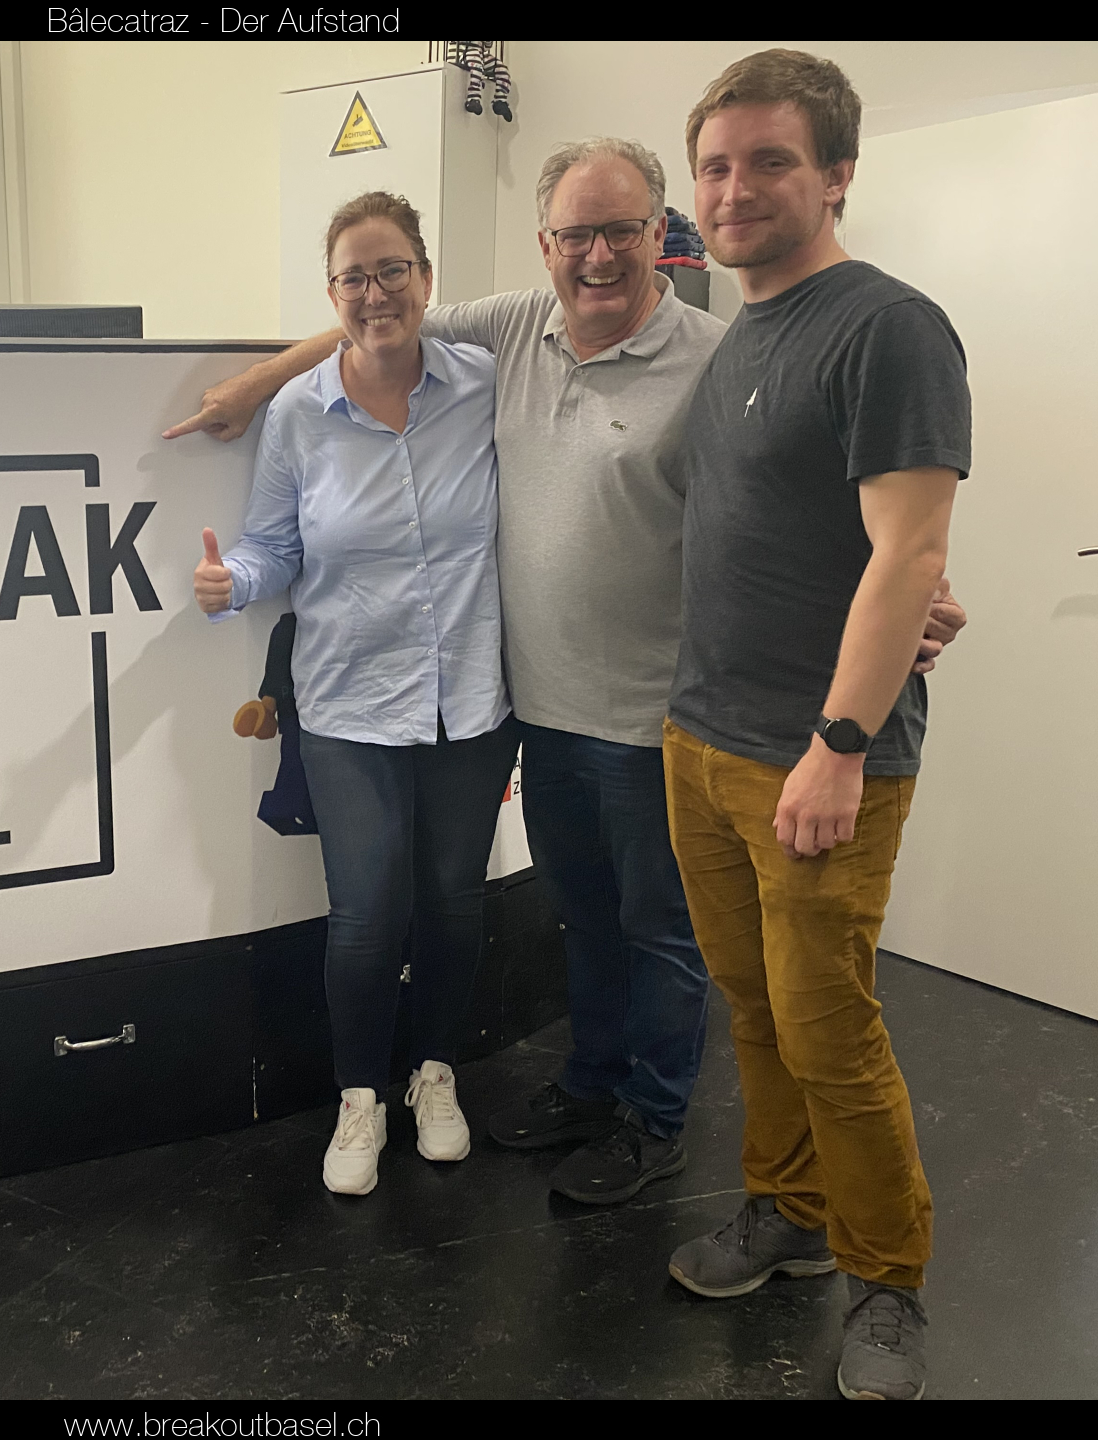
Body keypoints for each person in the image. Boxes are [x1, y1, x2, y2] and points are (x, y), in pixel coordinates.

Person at [168, 146, 968, 1209]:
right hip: (539, 711)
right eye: (575, 236)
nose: (598, 256)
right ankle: (589, 1085)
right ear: (544, 246)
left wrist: (906, 585)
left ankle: (652, 1119)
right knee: (580, 919)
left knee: (660, 937)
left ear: (660, 236)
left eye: (622, 231)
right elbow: (372, 324)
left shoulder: (716, 355)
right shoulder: (512, 332)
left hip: (651, 714)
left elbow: (799, 491)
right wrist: (256, 383)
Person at [659, 50, 969, 1402]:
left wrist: (840, 743)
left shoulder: (887, 326)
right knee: (754, 1009)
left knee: (830, 1027)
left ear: (837, 174)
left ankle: (887, 1280)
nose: (735, 190)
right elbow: (817, 533)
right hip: (702, 737)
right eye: (716, 166)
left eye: (770, 161)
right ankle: (787, 1209)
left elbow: (910, 550)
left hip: (821, 757)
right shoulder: (744, 330)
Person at [192, 191, 517, 1198]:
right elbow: (273, 544)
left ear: (426, 278)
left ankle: (435, 1074)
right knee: (367, 914)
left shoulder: (484, 384)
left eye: (392, 272)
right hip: (346, 706)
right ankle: (360, 1097)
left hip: (470, 702)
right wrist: (233, 582)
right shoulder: (299, 412)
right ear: (331, 293)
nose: (375, 295)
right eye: (353, 279)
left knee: (453, 904)